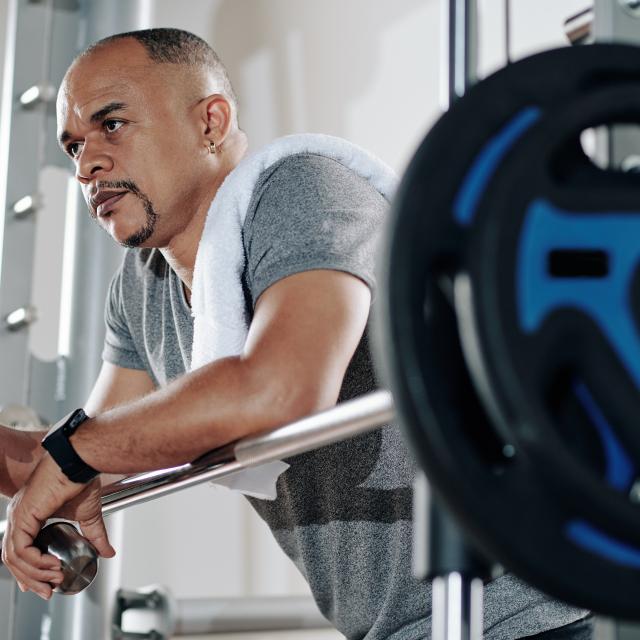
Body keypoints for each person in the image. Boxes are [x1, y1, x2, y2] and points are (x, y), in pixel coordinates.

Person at [0, 28, 590, 640]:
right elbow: (85, 452)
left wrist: (75, 455)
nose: (87, 163)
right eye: (73, 147)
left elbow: (282, 390)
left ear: (211, 122)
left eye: (112, 124)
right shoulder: (142, 284)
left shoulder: (302, 189)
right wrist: (68, 458)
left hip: (542, 612)